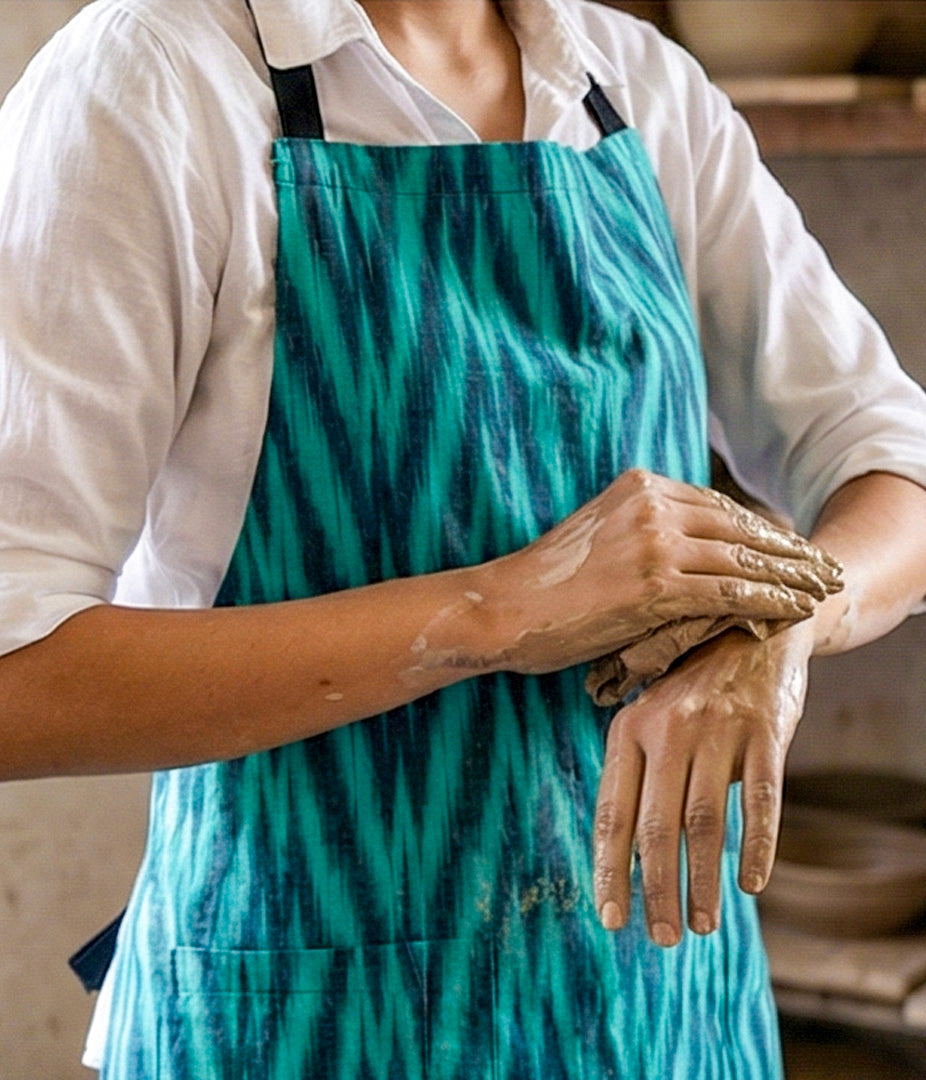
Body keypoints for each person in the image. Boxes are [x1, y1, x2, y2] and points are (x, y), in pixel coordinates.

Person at [1, 0, 925, 1076]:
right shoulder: (154, 77)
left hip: (658, 1017)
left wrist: (790, 620)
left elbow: (891, 458)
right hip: (317, 1017)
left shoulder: (630, 85)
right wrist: (492, 611)